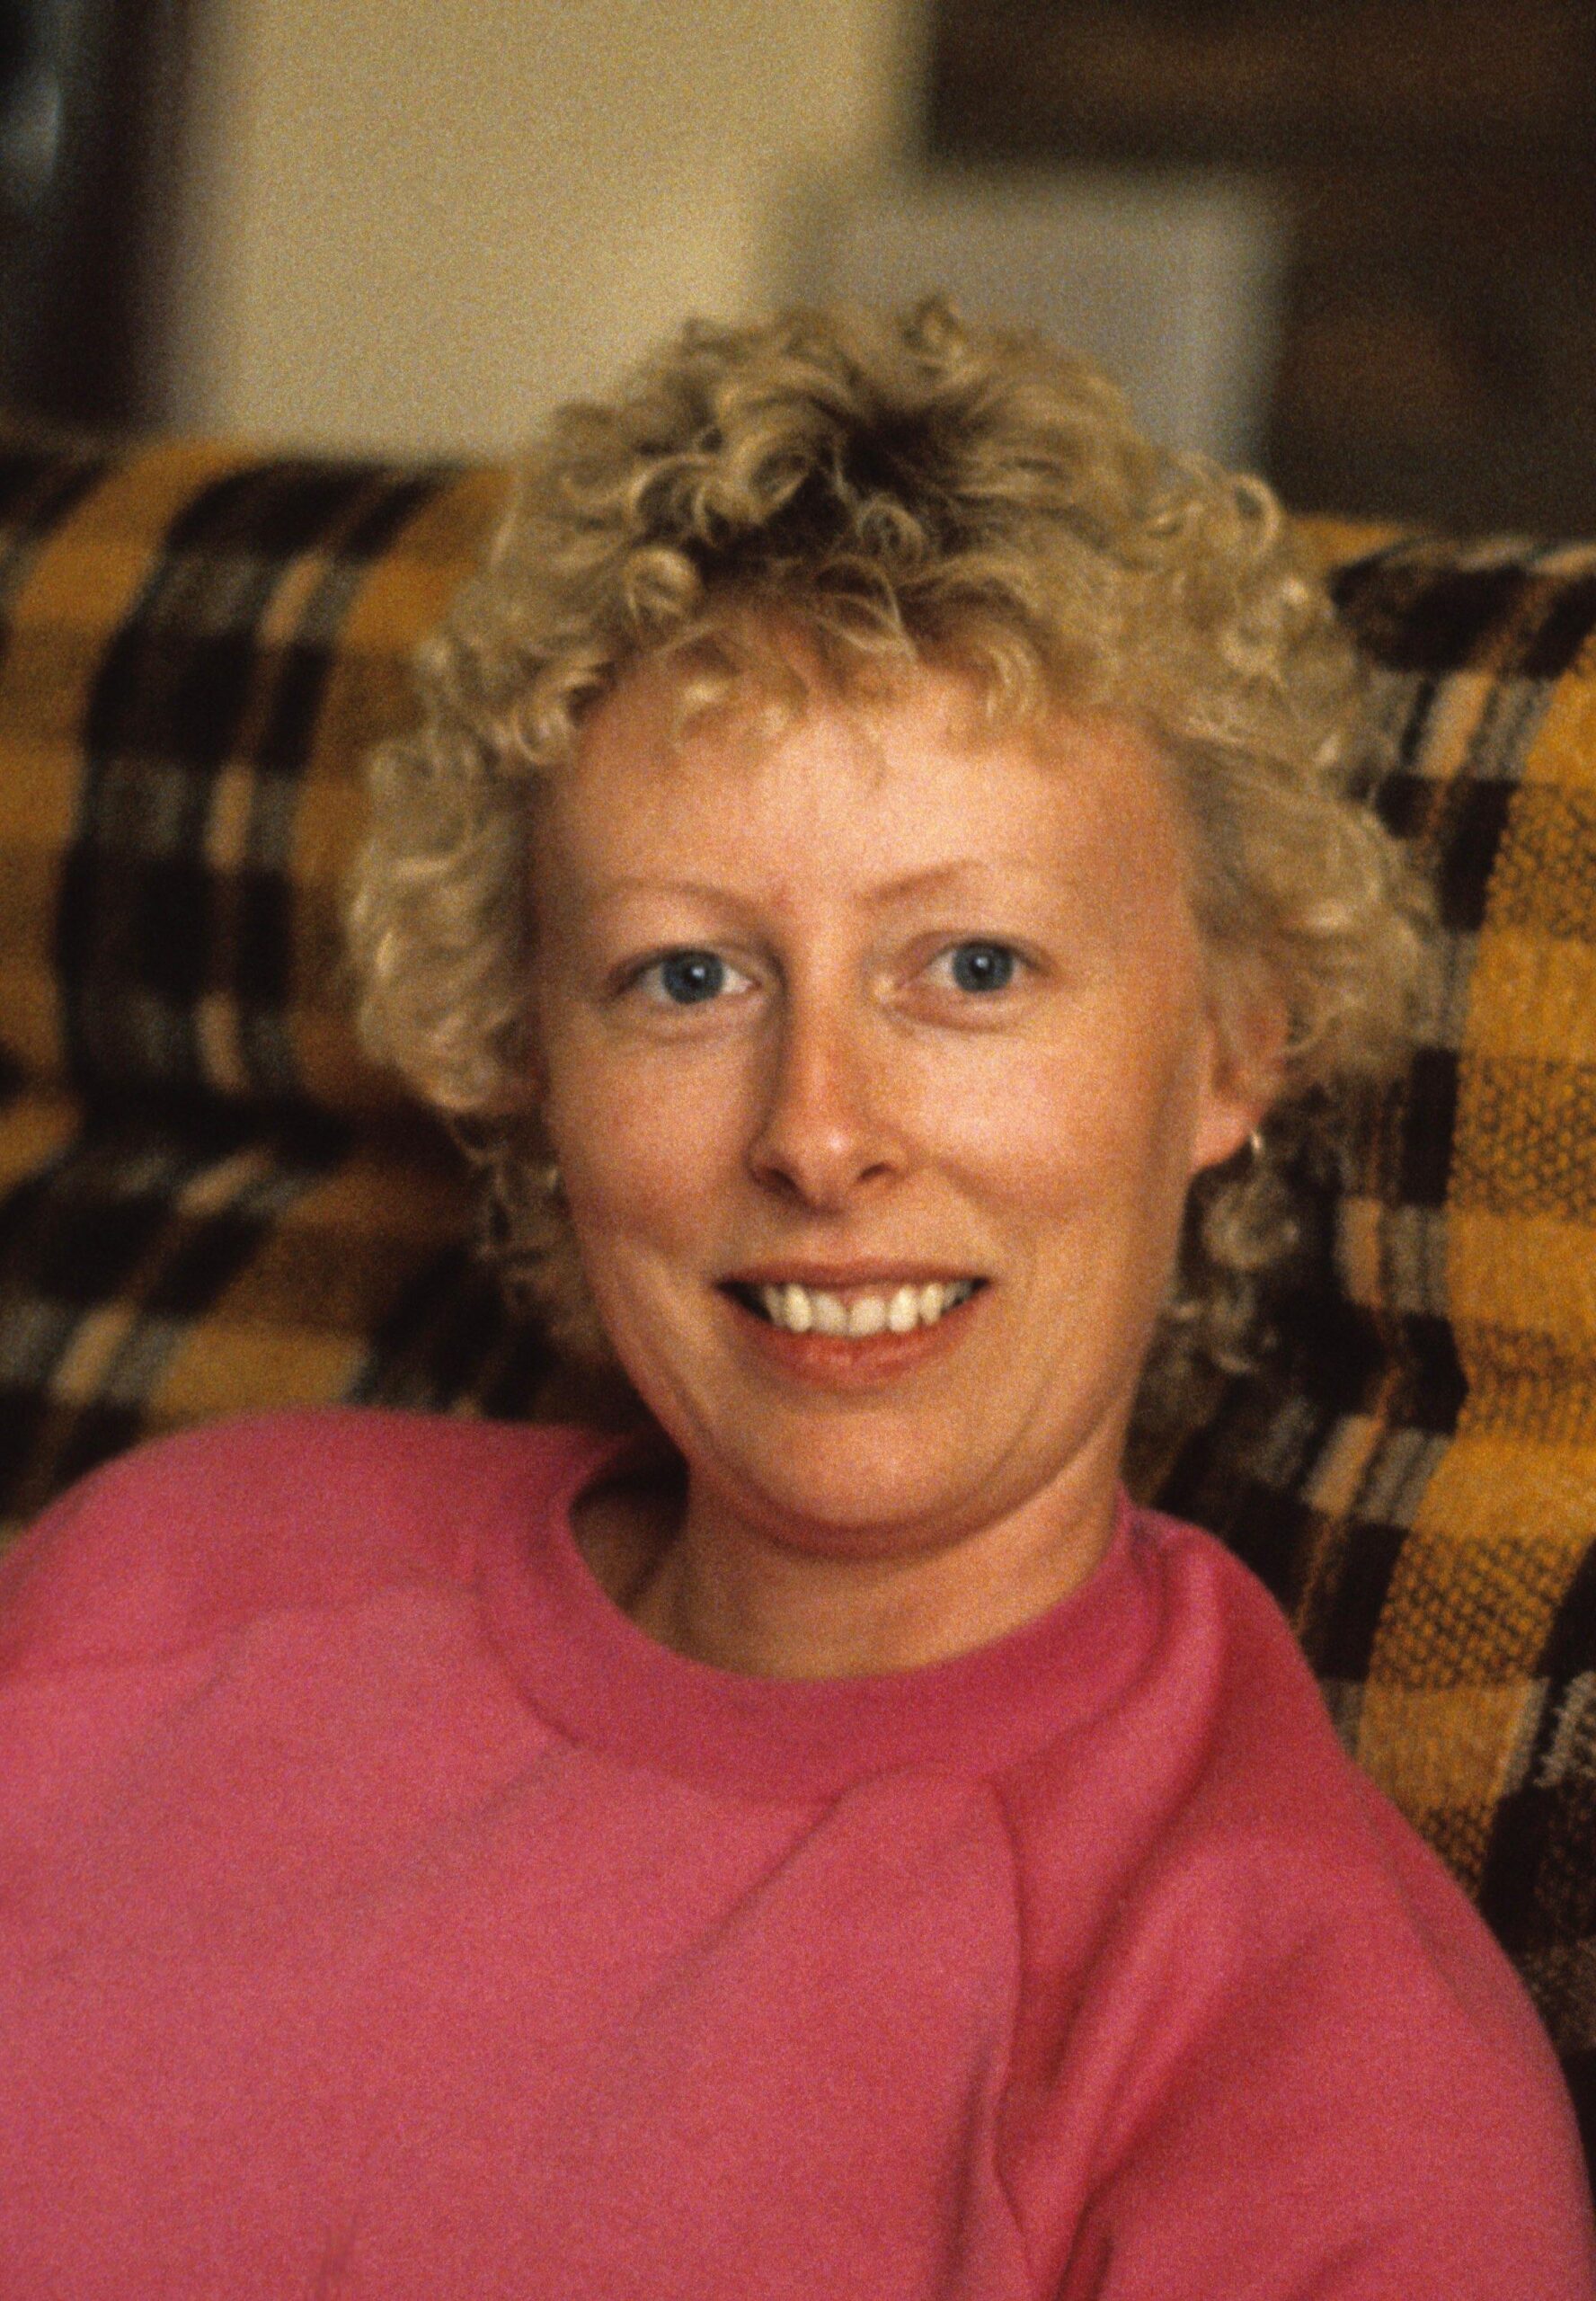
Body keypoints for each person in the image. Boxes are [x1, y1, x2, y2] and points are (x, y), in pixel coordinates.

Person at [1, 300, 1592, 2298]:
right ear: (531, 1055)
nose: (818, 1135)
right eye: (688, 977)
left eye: (974, 967)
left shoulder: (1318, 2080)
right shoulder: (152, 1590)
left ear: (1233, 1044)